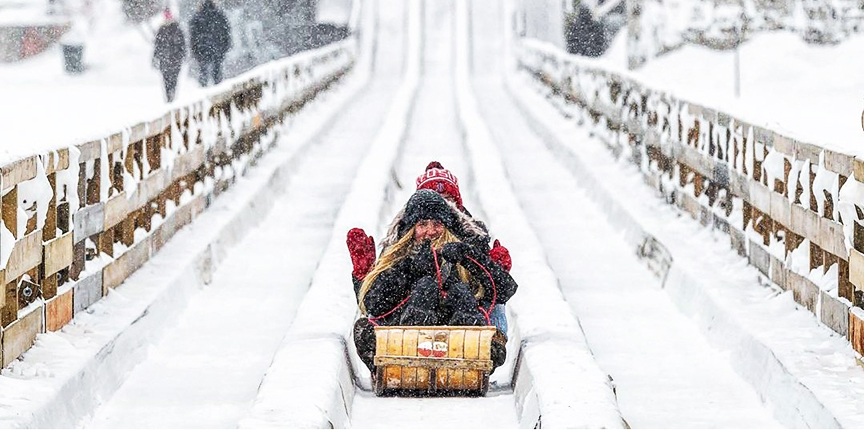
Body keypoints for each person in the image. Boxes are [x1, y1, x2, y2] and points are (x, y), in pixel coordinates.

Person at [350, 189, 518, 374]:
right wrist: (410, 269)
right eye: (423, 224)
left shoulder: (462, 251)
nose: (430, 231)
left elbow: (504, 292)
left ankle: (473, 354)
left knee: (459, 291)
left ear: (446, 226)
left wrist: (470, 259)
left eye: (437, 224)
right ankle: (396, 362)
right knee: (425, 288)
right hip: (408, 332)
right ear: (412, 229)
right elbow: (373, 304)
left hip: (454, 331)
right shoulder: (398, 256)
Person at [189, 0, 231, 86]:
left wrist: (195, 50)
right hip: (217, 48)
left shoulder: (197, 17)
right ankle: (218, 90)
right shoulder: (219, 15)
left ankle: (204, 92)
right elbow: (226, 32)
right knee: (217, 72)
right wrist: (225, 46)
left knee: (203, 72)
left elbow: (193, 36)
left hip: (202, 49)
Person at [152, 8, 186, 102]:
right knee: (167, 79)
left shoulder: (175, 29)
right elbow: (157, 46)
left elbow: (182, 45)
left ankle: (171, 96)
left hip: (172, 59)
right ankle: (169, 97)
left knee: (172, 79)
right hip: (167, 59)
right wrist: (155, 58)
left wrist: (181, 55)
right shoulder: (163, 29)